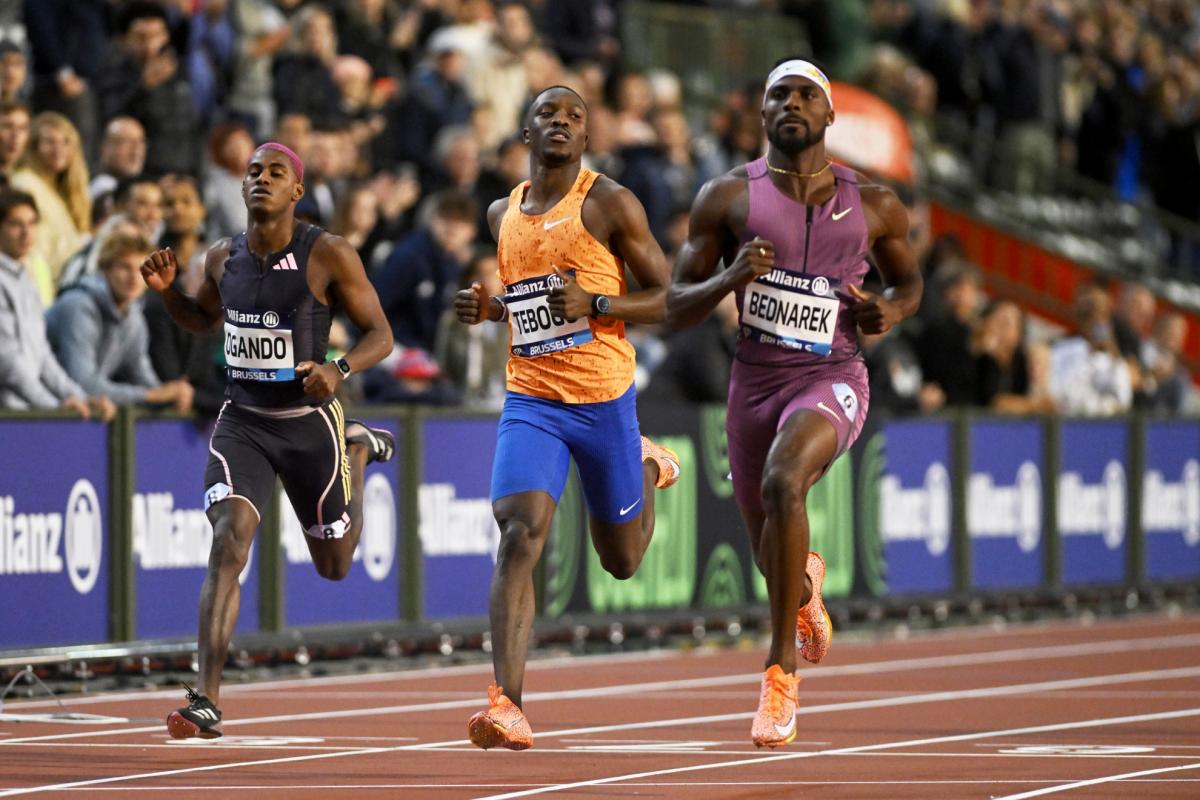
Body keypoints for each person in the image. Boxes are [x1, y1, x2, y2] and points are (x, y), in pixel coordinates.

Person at [666, 58, 922, 748]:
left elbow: (908, 285)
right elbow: (674, 307)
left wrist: (888, 315)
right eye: (778, 94)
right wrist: (729, 276)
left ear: (830, 115)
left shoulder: (875, 203)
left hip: (832, 376)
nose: (792, 104)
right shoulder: (724, 198)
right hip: (752, 385)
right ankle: (805, 592)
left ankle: (779, 676)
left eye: (807, 95)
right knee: (769, 553)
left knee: (785, 479)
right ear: (762, 113)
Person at [139, 141, 395, 739]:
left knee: (334, 566)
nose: (261, 179)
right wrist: (169, 294)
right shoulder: (221, 256)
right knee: (230, 540)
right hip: (244, 423)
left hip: (311, 426)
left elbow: (381, 334)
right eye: (253, 171)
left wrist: (340, 370)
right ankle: (206, 697)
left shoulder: (328, 253)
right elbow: (204, 321)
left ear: (296, 192)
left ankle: (357, 449)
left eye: (275, 172)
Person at [454, 85, 681, 751]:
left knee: (623, 561)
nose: (561, 122)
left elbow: (671, 297)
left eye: (575, 115)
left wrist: (599, 302)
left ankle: (646, 460)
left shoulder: (609, 202)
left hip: (604, 401)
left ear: (587, 138)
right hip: (532, 400)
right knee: (519, 532)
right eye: (548, 113)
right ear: (524, 132)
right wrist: (492, 311)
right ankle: (507, 704)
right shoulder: (502, 211)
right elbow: (530, 305)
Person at [45, 229, 192, 412]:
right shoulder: (77, 305)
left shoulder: (134, 317)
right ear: (106, 270)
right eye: (125, 267)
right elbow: (83, 382)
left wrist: (171, 394)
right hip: (35, 407)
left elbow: (143, 377)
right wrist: (151, 396)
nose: (134, 277)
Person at [0, 188, 114, 420]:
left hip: (25, 413)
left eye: (32, 223)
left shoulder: (27, 281)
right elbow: (7, 362)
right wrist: (53, 407)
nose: (26, 233)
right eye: (16, 224)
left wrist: (79, 397)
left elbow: (42, 355)